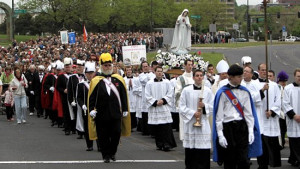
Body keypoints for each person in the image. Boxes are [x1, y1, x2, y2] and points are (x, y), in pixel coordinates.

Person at [212, 64, 262, 169]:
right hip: (228, 128)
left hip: (241, 128)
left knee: (243, 161)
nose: (241, 79)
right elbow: (219, 116)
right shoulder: (222, 92)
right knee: (229, 160)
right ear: (231, 77)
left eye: (242, 76)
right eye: (239, 77)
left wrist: (251, 131)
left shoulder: (245, 92)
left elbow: (249, 114)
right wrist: (220, 134)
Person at [88, 53, 131, 163]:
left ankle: (112, 152)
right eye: (105, 65)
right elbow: (92, 97)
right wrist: (92, 109)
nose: (107, 67)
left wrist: (125, 109)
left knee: (116, 133)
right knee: (103, 136)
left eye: (109, 65)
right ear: (101, 66)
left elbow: (123, 95)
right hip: (101, 113)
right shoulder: (96, 80)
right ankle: (105, 155)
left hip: (116, 113)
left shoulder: (118, 79)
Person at [179, 69, 214, 169]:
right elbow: (181, 106)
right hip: (191, 123)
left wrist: (204, 106)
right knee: (191, 151)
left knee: (203, 151)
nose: (199, 77)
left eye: (201, 75)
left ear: (203, 77)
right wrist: (193, 113)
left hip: (203, 123)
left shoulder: (207, 91)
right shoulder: (186, 90)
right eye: (197, 75)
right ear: (193, 77)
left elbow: (212, 106)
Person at [145, 66, 177, 151]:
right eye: (158, 71)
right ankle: (159, 144)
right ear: (154, 72)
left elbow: (170, 93)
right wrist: (155, 102)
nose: (159, 73)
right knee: (157, 127)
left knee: (166, 126)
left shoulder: (167, 82)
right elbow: (147, 95)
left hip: (164, 107)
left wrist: (163, 100)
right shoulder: (149, 83)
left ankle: (167, 143)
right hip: (155, 107)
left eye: (161, 71)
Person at [256, 63, 282, 169]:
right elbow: (254, 99)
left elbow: (279, 100)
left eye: (265, 70)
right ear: (258, 71)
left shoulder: (275, 85)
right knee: (262, 146)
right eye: (262, 70)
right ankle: (262, 165)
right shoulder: (255, 84)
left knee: (272, 144)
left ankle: (274, 164)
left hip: (271, 119)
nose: (264, 72)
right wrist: (262, 90)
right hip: (260, 118)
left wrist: (272, 111)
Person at [76, 61, 100, 152]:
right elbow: (79, 97)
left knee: (98, 127)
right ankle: (89, 145)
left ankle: (99, 145)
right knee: (87, 127)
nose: (90, 75)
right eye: (88, 73)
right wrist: (82, 105)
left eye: (91, 73)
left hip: (96, 109)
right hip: (86, 109)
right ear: (85, 74)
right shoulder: (81, 85)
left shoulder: (98, 83)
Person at [282, 68, 300, 168]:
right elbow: (285, 103)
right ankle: (295, 159)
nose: (299, 78)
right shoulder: (288, 88)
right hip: (293, 119)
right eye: (298, 76)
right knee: (294, 141)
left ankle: (294, 159)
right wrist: (294, 115)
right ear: (294, 76)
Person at [175, 59, 194, 140]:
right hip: (185, 104)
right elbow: (177, 92)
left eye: (191, 65)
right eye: (188, 65)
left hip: (194, 104)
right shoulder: (181, 78)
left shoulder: (195, 76)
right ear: (185, 66)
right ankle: (185, 138)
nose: (190, 66)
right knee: (184, 122)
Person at [67, 59, 86, 139]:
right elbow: (70, 90)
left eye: (80, 67)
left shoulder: (87, 76)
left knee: (85, 116)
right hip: (76, 100)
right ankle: (80, 132)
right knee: (78, 116)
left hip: (85, 99)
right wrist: (71, 100)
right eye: (77, 67)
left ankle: (86, 131)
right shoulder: (72, 78)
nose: (78, 68)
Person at [56, 58, 73, 135]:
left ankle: (74, 128)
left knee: (74, 112)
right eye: (66, 67)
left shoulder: (74, 75)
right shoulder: (61, 76)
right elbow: (58, 87)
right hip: (65, 97)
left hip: (73, 97)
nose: (68, 68)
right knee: (66, 113)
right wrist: (63, 90)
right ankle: (67, 128)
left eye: (69, 66)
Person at [277, 70, 289, 149]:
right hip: (280, 115)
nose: (283, 82)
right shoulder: (277, 88)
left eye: (284, 81)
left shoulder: (288, 89)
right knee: (281, 131)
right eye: (281, 81)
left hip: (288, 114)